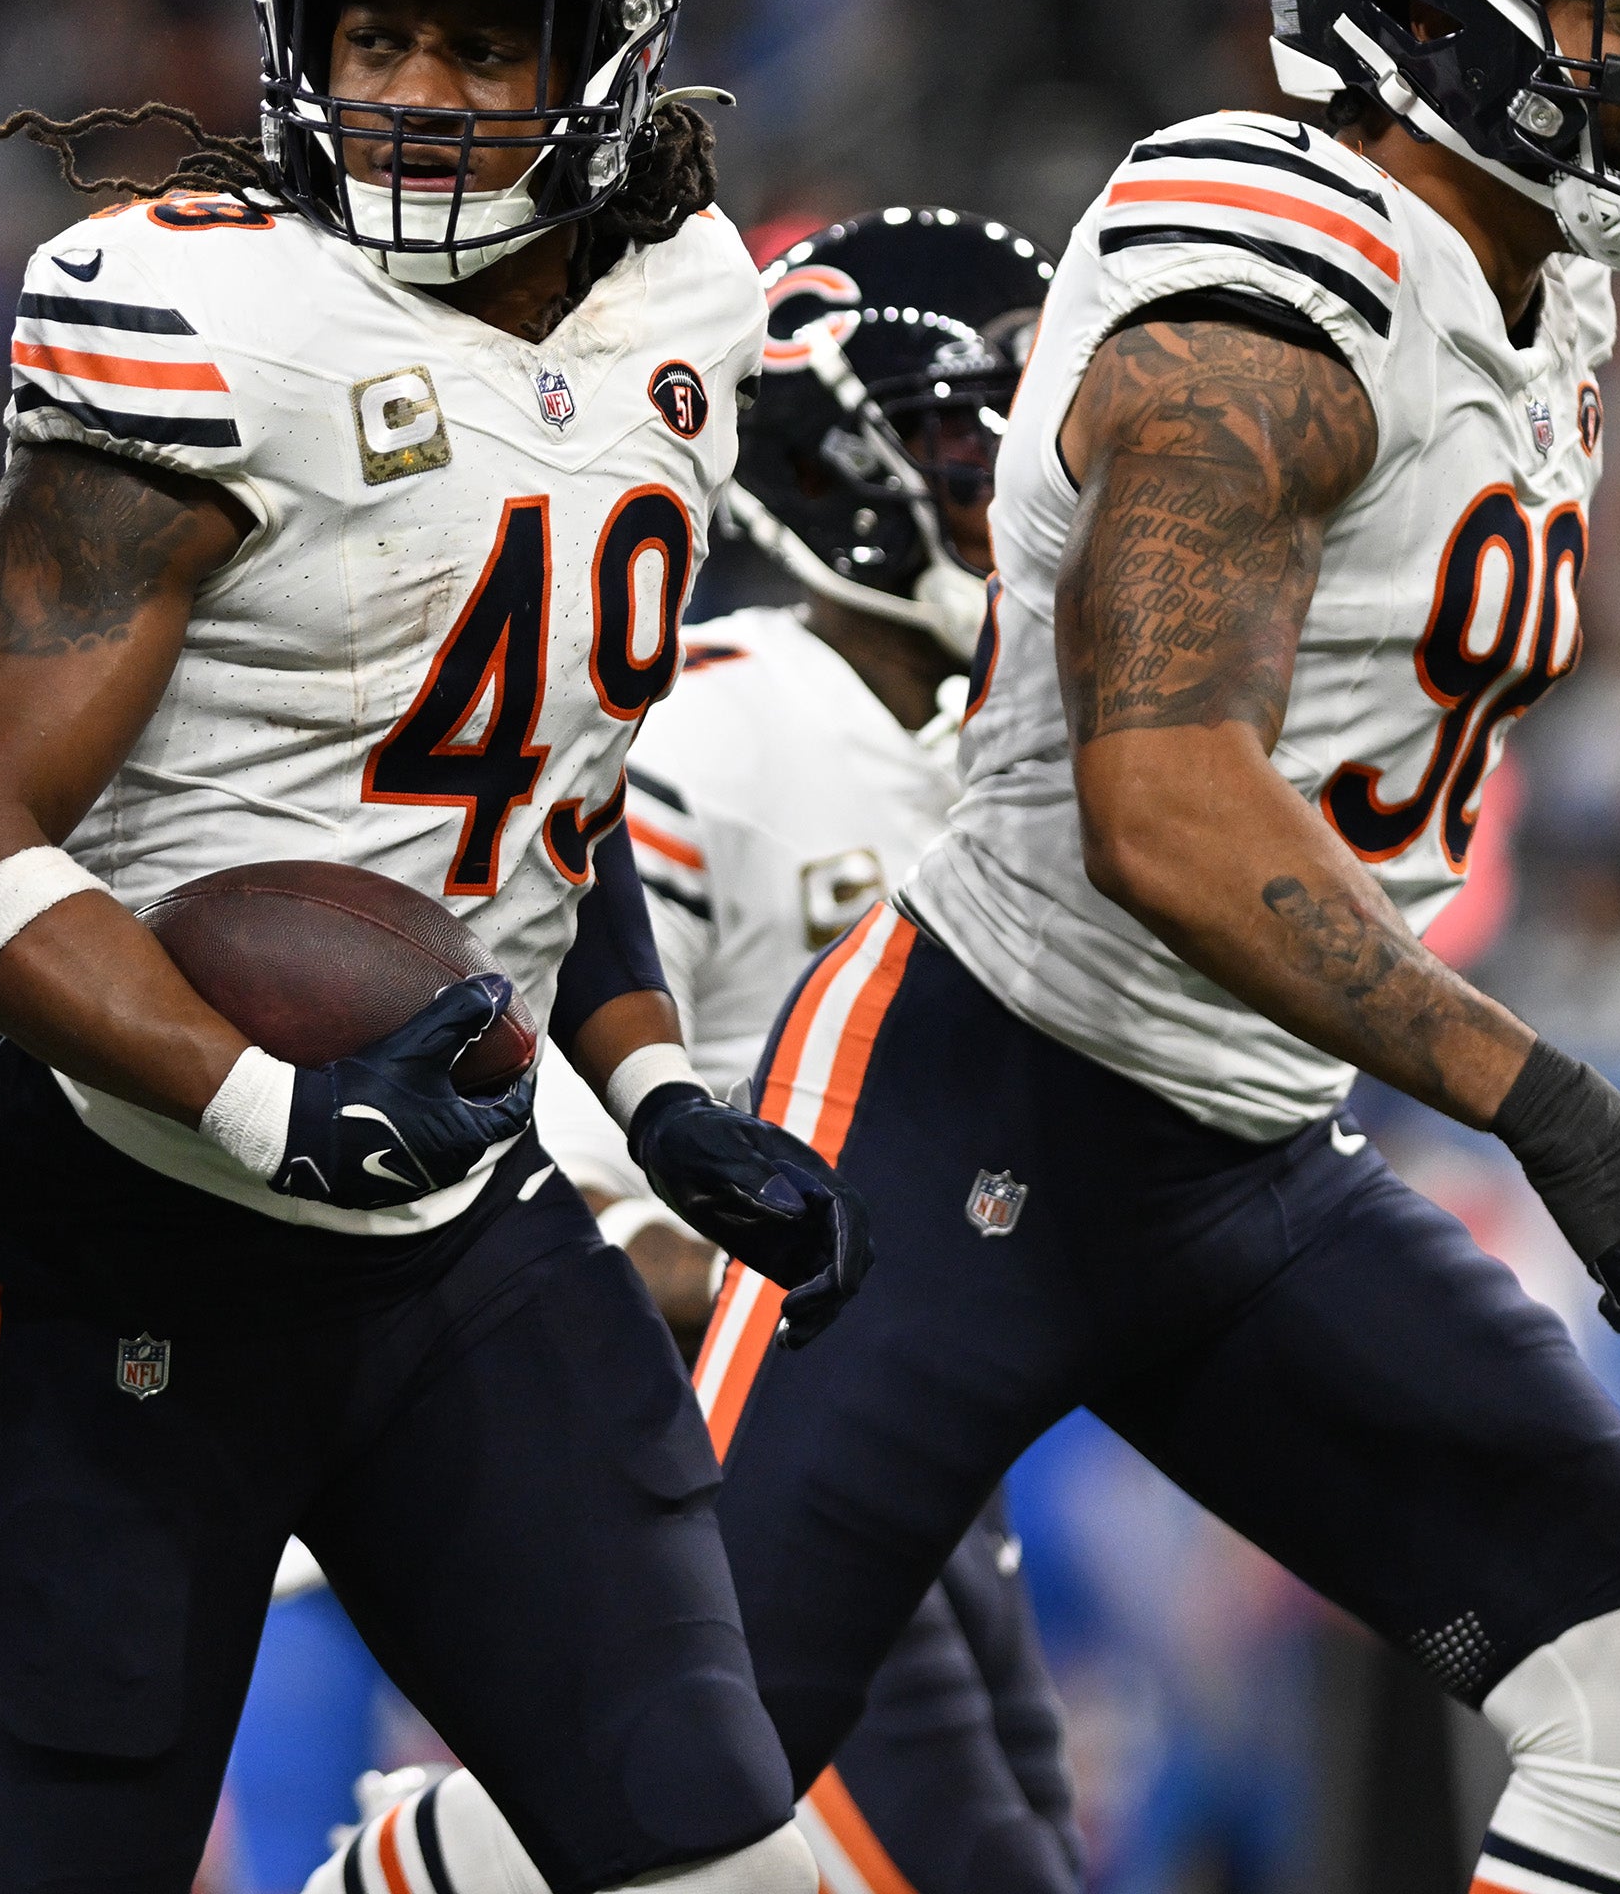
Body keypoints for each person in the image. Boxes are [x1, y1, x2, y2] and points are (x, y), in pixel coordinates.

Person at [396, 0, 1620, 1894]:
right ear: (1440, 19)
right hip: (987, 1101)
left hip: (1237, 1155)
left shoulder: (1549, 284)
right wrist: (1540, 1098)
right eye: (1613, 3)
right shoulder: (1267, 297)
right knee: (683, 1809)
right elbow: (1162, 800)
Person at [0, 0, 864, 1894]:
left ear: (608, 61)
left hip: (456, 1231)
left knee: (735, 1870)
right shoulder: (212, 317)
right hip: (130, 1216)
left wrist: (659, 1088)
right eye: (375, 33)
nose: (412, 90)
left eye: (481, 44)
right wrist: (257, 1104)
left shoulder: (690, 309)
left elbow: (535, 804)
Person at [347, 213, 1081, 1894]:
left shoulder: (1033, 735)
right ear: (845, 466)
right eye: (979, 439)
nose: (1025, 487)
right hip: (746, 1418)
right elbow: (563, 1162)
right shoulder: (716, 724)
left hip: (930, 1422)